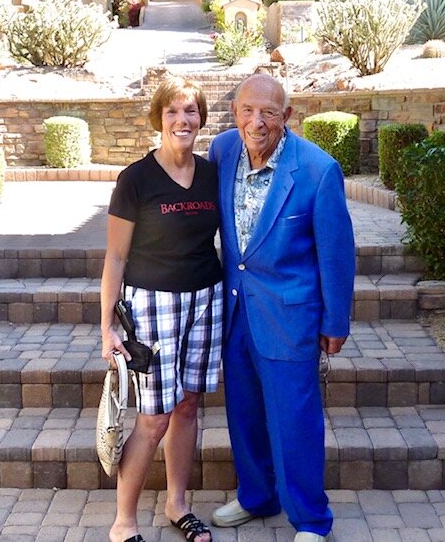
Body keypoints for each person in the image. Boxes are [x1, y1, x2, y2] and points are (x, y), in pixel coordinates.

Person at [208, 73, 355, 542]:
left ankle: (310, 519)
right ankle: (257, 496)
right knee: (244, 414)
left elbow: (336, 254)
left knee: (294, 421)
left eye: (269, 112)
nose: (257, 122)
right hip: (236, 313)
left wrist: (335, 320)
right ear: (234, 112)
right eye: (248, 110)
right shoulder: (222, 150)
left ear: (287, 116)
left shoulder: (317, 170)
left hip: (290, 318)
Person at [101, 76, 222, 542]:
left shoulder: (211, 174)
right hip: (151, 307)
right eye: (172, 112)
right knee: (154, 418)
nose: (182, 120)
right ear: (159, 119)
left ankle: (177, 505)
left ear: (200, 119)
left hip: (205, 300)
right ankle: (123, 522)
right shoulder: (135, 180)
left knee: (189, 406)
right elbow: (115, 257)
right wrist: (107, 324)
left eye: (190, 111)